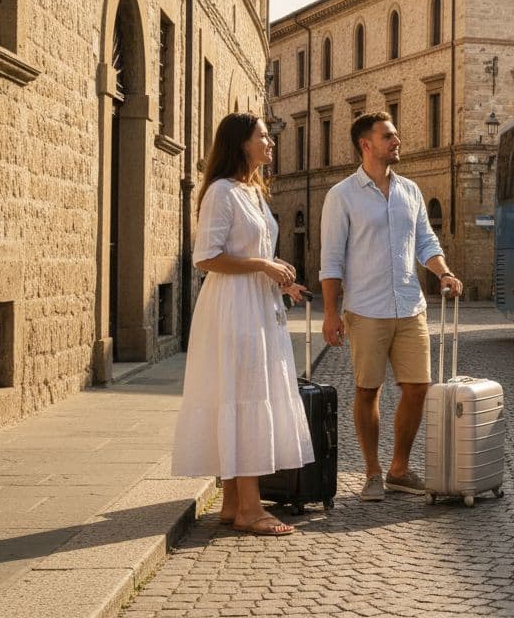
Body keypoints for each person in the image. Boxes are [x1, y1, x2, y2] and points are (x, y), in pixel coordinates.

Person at [171, 112, 313, 537]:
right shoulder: (221, 192)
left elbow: (255, 253)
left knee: (248, 393)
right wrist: (263, 265)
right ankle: (251, 509)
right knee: (246, 395)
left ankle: (234, 504)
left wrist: (280, 280)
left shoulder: (253, 192)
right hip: (233, 309)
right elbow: (206, 257)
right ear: (241, 144)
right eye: (263, 137)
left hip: (258, 306)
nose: (271, 143)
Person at [319, 111, 463, 502]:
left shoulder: (410, 192)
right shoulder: (342, 196)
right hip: (365, 308)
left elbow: (426, 243)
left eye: (396, 135)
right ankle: (371, 472)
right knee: (368, 390)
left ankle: (399, 468)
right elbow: (331, 261)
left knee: (418, 388)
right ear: (366, 144)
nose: (397, 141)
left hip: (410, 305)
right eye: (388, 136)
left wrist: (444, 272)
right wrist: (332, 312)